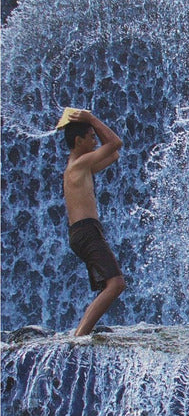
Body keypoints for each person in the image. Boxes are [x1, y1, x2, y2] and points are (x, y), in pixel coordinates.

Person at [60, 109, 126, 336]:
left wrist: (93, 126)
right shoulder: (79, 164)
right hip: (86, 231)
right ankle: (80, 336)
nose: (95, 140)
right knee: (116, 284)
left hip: (83, 232)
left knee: (111, 284)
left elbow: (114, 153)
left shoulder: (80, 166)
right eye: (91, 137)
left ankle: (82, 332)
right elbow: (116, 142)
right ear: (78, 141)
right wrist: (92, 119)